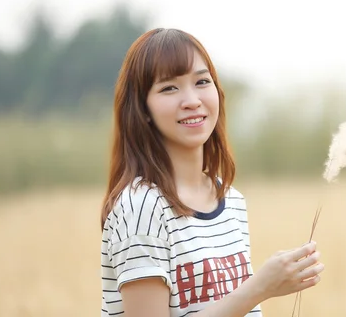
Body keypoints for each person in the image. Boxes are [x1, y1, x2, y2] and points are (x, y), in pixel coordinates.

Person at [99, 28, 324, 317]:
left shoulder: (231, 201)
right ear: (143, 109)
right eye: (169, 87)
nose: (192, 99)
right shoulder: (141, 207)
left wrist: (264, 285)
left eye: (202, 82)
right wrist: (259, 287)